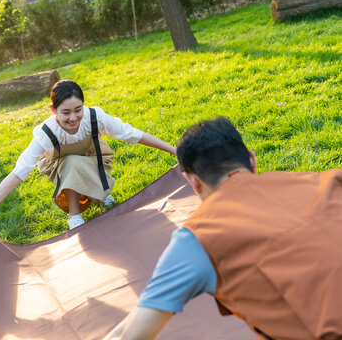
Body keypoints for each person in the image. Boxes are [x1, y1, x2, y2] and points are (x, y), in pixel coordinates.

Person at [104, 117, 342, 340]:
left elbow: (133, 334)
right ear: (251, 160)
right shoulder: (329, 181)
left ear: (193, 182)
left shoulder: (199, 238)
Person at [0, 80, 176, 229]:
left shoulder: (94, 117)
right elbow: (19, 171)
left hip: (94, 158)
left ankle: (100, 194)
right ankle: (74, 216)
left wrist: (175, 151)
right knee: (73, 162)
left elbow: (132, 134)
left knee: (80, 161)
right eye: (65, 112)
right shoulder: (46, 133)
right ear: (53, 110)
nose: (73, 117)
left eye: (78, 110)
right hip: (62, 168)